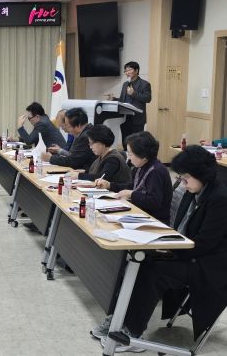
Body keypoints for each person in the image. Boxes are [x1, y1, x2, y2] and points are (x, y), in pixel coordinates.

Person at [92, 146, 227, 353]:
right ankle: (119, 320)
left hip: (208, 265)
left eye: (186, 178)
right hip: (188, 251)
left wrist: (168, 250)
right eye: (181, 178)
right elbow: (180, 228)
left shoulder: (220, 199)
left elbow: (205, 244)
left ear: (202, 175)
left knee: (154, 271)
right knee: (140, 261)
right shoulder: (195, 190)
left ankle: (132, 333)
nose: (183, 183)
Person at [96, 131, 172, 223]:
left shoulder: (156, 171)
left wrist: (131, 194)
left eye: (130, 154)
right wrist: (109, 185)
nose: (129, 157)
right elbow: (132, 186)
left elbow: (154, 202)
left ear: (143, 155)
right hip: (139, 214)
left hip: (155, 221)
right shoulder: (141, 166)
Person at [109, 61, 152, 149]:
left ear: (136, 70)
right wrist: (114, 99)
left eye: (129, 70)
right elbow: (122, 101)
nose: (127, 72)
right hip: (124, 118)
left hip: (137, 119)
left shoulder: (145, 84)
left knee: (137, 144)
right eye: (126, 71)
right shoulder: (125, 84)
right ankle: (126, 157)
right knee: (125, 143)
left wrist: (133, 93)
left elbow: (148, 99)